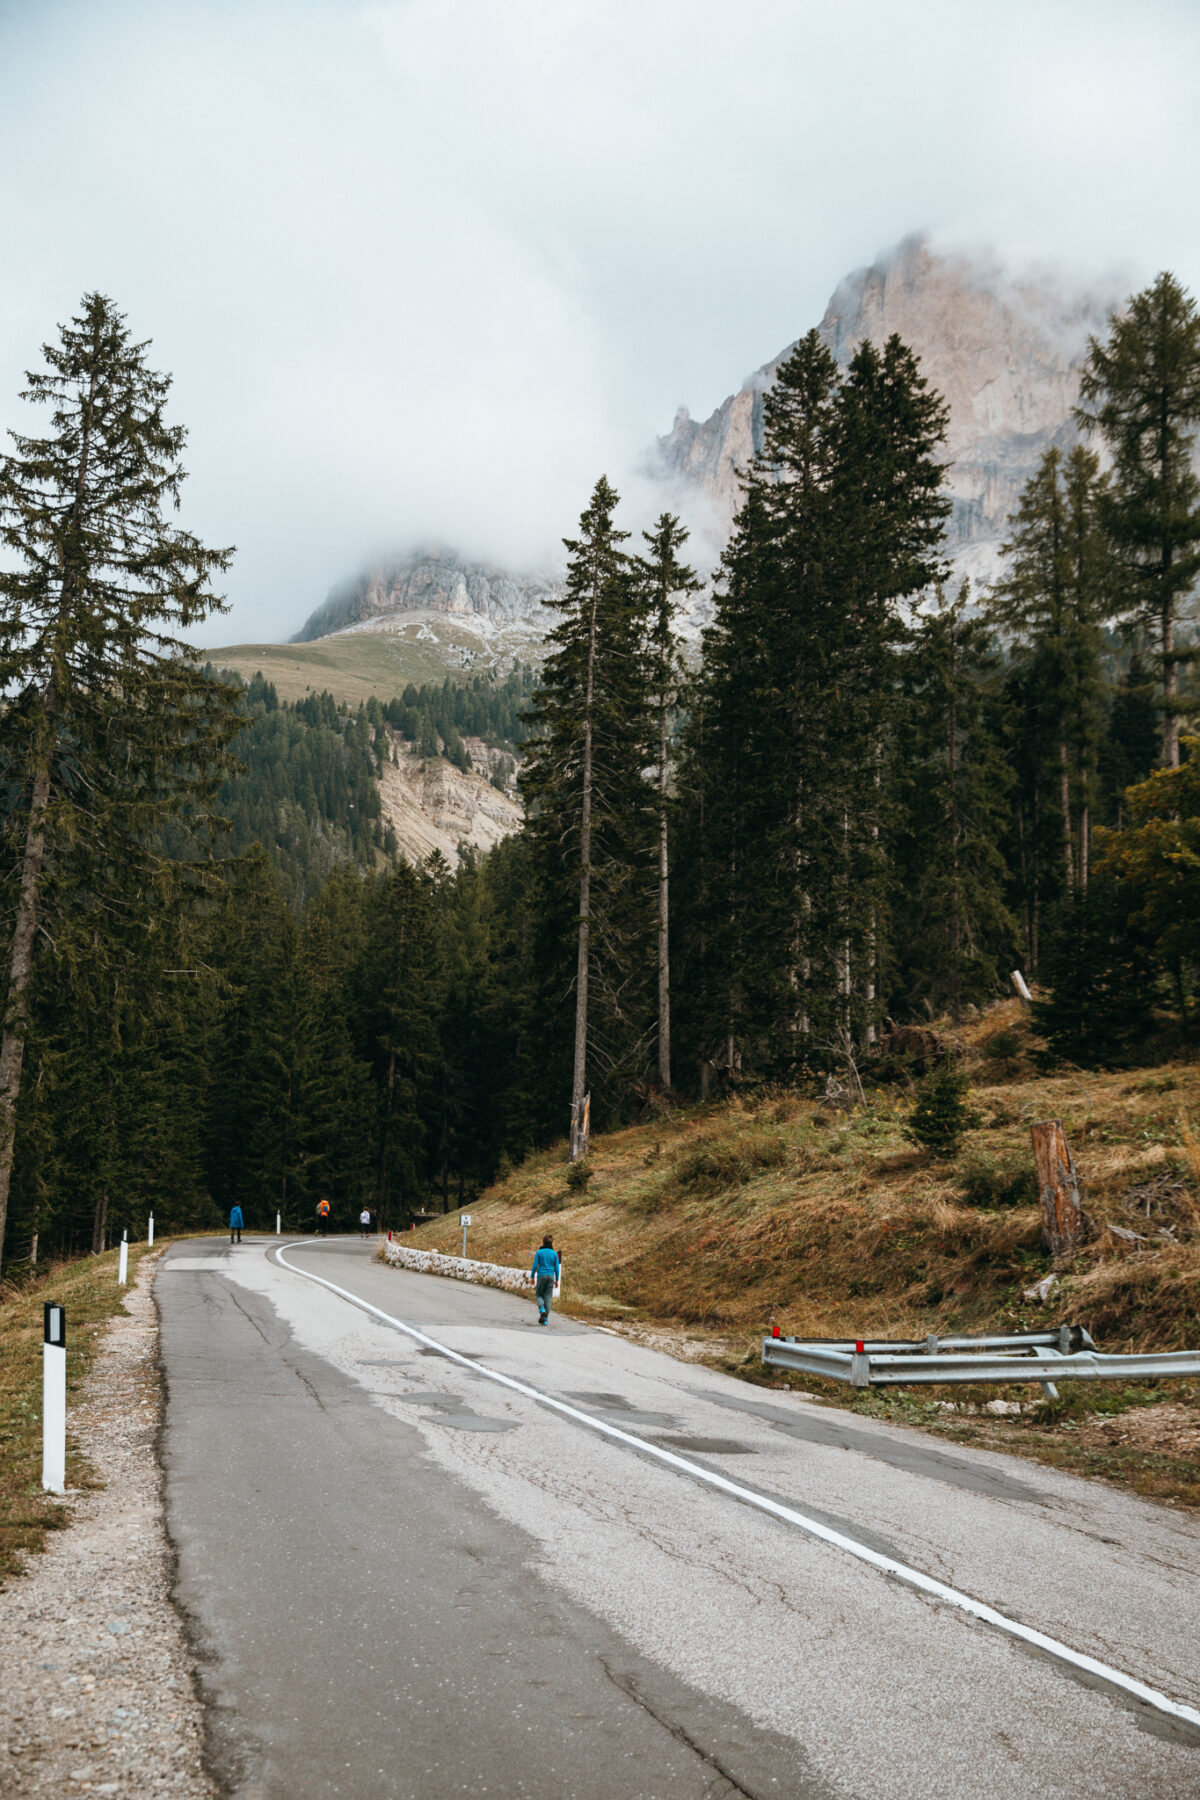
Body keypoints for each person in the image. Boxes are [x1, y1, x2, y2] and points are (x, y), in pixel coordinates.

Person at [530, 1235, 561, 1326]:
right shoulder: (554, 1254)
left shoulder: (539, 1252)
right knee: (548, 1298)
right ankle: (546, 1319)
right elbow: (557, 1268)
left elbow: (535, 1265)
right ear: (552, 1243)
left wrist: (532, 1277)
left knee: (539, 1295)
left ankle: (542, 1310)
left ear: (543, 1242)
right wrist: (557, 1280)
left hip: (541, 1276)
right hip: (551, 1276)